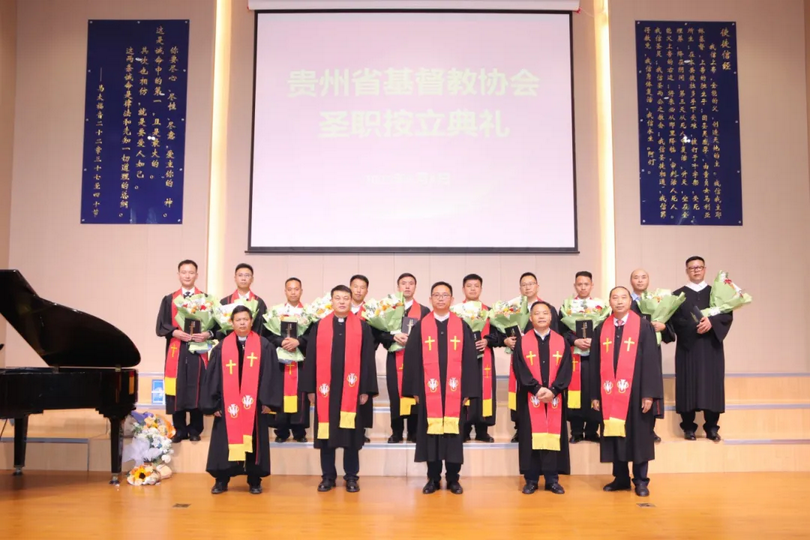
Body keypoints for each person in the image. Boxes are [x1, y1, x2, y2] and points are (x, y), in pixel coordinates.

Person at [402, 282, 480, 495]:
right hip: (429, 392)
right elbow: (412, 360)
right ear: (430, 299)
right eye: (436, 295)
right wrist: (416, 390)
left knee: (454, 435)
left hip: (456, 392)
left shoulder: (462, 326)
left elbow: (471, 361)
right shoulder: (420, 326)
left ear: (452, 300)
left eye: (445, 295)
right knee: (432, 436)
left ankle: (453, 478)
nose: (440, 298)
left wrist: (468, 392)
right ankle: (433, 478)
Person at [302, 285, 378, 493]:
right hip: (326, 390)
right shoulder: (319, 326)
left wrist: (365, 389)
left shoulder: (363, 327)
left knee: (351, 436)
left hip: (352, 391)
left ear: (351, 300)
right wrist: (310, 389)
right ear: (331, 301)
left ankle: (351, 476)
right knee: (326, 435)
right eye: (338, 298)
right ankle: (328, 476)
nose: (342, 302)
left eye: (346, 298)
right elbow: (311, 359)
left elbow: (367, 361)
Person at [590, 287, 662, 497]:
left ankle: (641, 480)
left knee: (639, 436)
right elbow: (595, 363)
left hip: (637, 391)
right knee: (615, 435)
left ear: (631, 301)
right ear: (609, 302)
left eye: (623, 297)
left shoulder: (643, 327)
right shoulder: (601, 328)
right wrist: (595, 394)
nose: (619, 301)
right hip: (610, 393)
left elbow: (651, 362)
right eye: (615, 298)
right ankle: (620, 477)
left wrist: (648, 393)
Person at [201, 306, 281, 494]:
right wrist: (214, 404)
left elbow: (270, 375)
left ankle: (254, 480)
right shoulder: (222, 347)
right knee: (224, 441)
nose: (242, 323)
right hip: (228, 406)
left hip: (254, 406)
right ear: (232, 322)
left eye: (246, 319)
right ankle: (222, 479)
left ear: (251, 321)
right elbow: (213, 377)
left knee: (255, 440)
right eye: (238, 320)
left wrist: (268, 402)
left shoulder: (264, 345)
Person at [670, 257, 733, 441]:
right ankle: (688, 427)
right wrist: (694, 325)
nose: (696, 270)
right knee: (687, 384)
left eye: (699, 267)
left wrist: (712, 323)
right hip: (688, 348)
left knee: (711, 385)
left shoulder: (717, 294)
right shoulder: (678, 295)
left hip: (711, 347)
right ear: (686, 271)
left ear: (705, 269)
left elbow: (726, 315)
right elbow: (674, 320)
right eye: (692, 268)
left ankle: (712, 427)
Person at [513, 301, 572, 495]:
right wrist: (537, 389)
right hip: (531, 398)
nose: (541, 316)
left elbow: (566, 369)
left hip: (555, 398)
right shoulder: (522, 341)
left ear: (551, 317)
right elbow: (519, 368)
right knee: (531, 437)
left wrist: (554, 390)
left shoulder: (561, 340)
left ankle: (552, 479)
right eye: (536, 313)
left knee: (553, 436)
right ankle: (531, 480)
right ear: (530, 318)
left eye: (545, 313)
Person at [155, 260, 213, 443]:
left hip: (198, 351)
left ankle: (195, 429)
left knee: (198, 387)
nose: (187, 275)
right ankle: (179, 429)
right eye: (184, 272)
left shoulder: (206, 299)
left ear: (197, 275)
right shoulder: (169, 299)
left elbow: (217, 326)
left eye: (191, 272)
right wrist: (175, 332)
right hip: (177, 350)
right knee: (177, 387)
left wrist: (206, 334)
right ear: (178, 274)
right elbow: (161, 326)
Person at [502, 272, 560, 443]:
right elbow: (500, 333)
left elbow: (556, 335)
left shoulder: (548, 309)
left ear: (537, 286)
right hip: (522, 360)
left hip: (545, 358)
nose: (527, 287)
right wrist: (505, 340)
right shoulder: (511, 310)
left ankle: (546, 426)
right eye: (524, 284)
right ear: (520, 288)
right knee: (522, 391)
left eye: (531, 284)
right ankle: (521, 428)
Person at [378, 273, 430, 443]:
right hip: (395, 357)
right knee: (395, 394)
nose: (407, 286)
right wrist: (393, 337)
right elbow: (380, 333)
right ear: (398, 286)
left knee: (415, 393)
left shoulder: (423, 311)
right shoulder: (388, 310)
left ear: (415, 287)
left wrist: (413, 340)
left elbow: (428, 334)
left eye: (411, 283)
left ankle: (414, 432)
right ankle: (397, 431)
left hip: (416, 361)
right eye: (403, 283)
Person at [630, 268, 675, 443]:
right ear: (631, 281)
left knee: (651, 389)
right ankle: (632, 429)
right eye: (636, 277)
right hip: (630, 353)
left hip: (651, 355)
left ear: (648, 280)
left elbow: (671, 335)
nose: (640, 281)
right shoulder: (625, 302)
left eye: (643, 277)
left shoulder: (659, 302)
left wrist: (663, 327)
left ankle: (650, 430)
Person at [561, 271, 602, 444]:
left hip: (595, 357)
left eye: (586, 284)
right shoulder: (567, 307)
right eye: (579, 284)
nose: (583, 287)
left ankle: (592, 430)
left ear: (592, 285)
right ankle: (576, 431)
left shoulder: (601, 307)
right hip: (574, 357)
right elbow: (561, 331)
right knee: (574, 391)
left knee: (594, 390)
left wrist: (595, 339)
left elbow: (605, 330)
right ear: (575, 286)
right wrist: (575, 340)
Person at [266, 277, 309, 443]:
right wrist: (281, 342)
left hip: (300, 361)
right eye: (290, 289)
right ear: (285, 291)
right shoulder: (275, 312)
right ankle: (281, 431)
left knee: (300, 395)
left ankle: (299, 431)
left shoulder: (308, 313)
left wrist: (299, 341)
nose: (293, 292)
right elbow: (269, 334)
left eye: (296, 289)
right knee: (281, 394)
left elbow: (312, 335)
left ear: (301, 291)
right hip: (281, 361)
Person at [459, 274, 499, 443]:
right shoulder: (456, 312)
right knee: (464, 389)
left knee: (484, 391)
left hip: (485, 358)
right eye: (469, 286)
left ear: (481, 289)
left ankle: (482, 430)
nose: (473, 289)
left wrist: (487, 340)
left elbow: (500, 334)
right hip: (463, 359)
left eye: (476, 286)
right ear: (463, 289)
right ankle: (465, 429)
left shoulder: (490, 312)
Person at [350, 274, 375, 443]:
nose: (358, 290)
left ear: (367, 290)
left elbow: (379, 334)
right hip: (342, 359)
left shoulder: (372, 312)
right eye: (355, 286)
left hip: (363, 359)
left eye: (362, 287)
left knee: (362, 391)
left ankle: (361, 429)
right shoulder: (338, 308)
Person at [218, 263, 268, 336]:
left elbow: (262, 328)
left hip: (253, 342)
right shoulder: (225, 302)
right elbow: (219, 328)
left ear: (252, 279)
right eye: (240, 275)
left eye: (247, 275)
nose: (243, 278)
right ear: (235, 278)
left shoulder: (259, 302)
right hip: (230, 342)